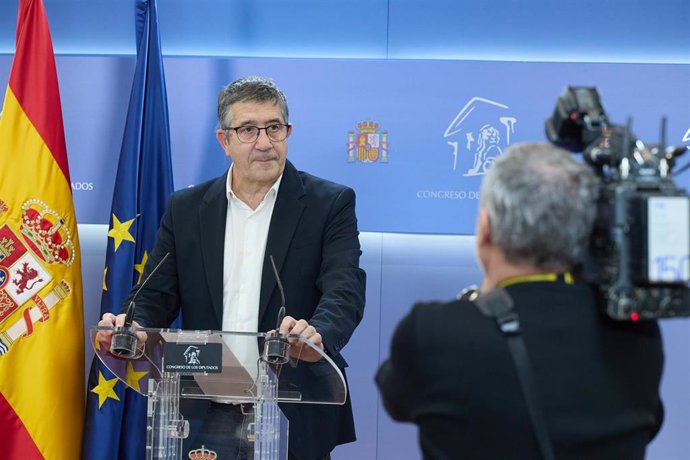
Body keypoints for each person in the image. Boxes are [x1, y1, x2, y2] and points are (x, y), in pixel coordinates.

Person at [100, 76, 366, 460]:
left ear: (288, 132)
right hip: (204, 410)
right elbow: (155, 294)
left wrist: (318, 334)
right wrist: (135, 325)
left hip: (291, 407)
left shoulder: (330, 204)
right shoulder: (187, 209)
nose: (264, 142)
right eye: (248, 130)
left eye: (274, 127)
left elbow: (345, 288)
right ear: (224, 141)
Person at [375, 143, 664, 460]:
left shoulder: (432, 333)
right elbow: (650, 421)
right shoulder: (637, 335)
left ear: (486, 230)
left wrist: (481, 300)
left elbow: (395, 397)